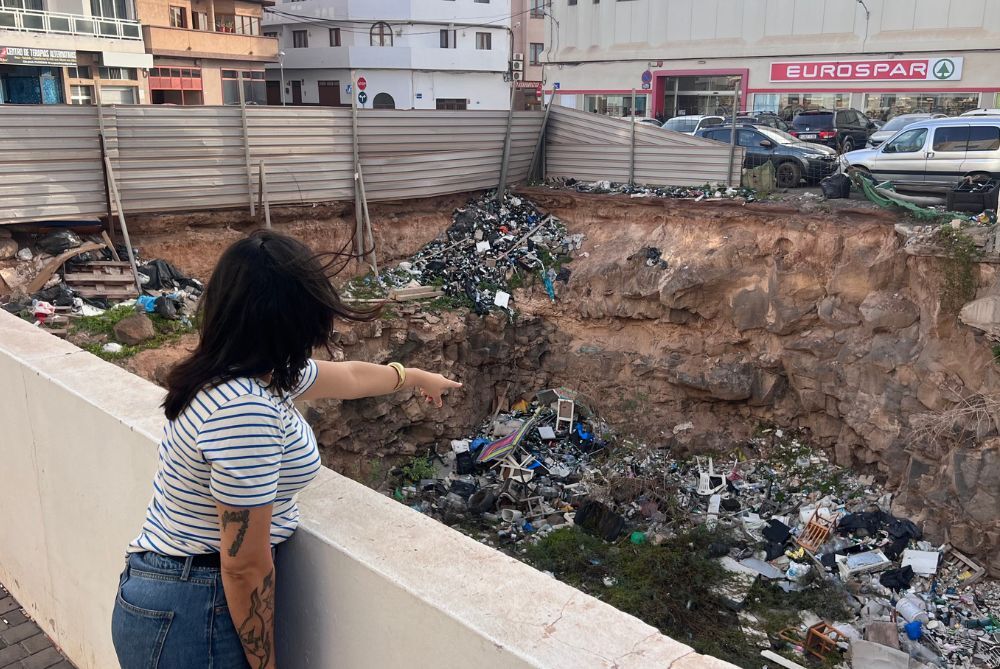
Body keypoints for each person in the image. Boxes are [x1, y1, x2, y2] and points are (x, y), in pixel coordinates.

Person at [111, 230, 461, 669]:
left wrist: (412, 376)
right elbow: (244, 565)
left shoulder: (249, 370)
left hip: (179, 597)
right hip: (195, 608)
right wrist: (265, 665)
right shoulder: (244, 411)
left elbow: (349, 377)